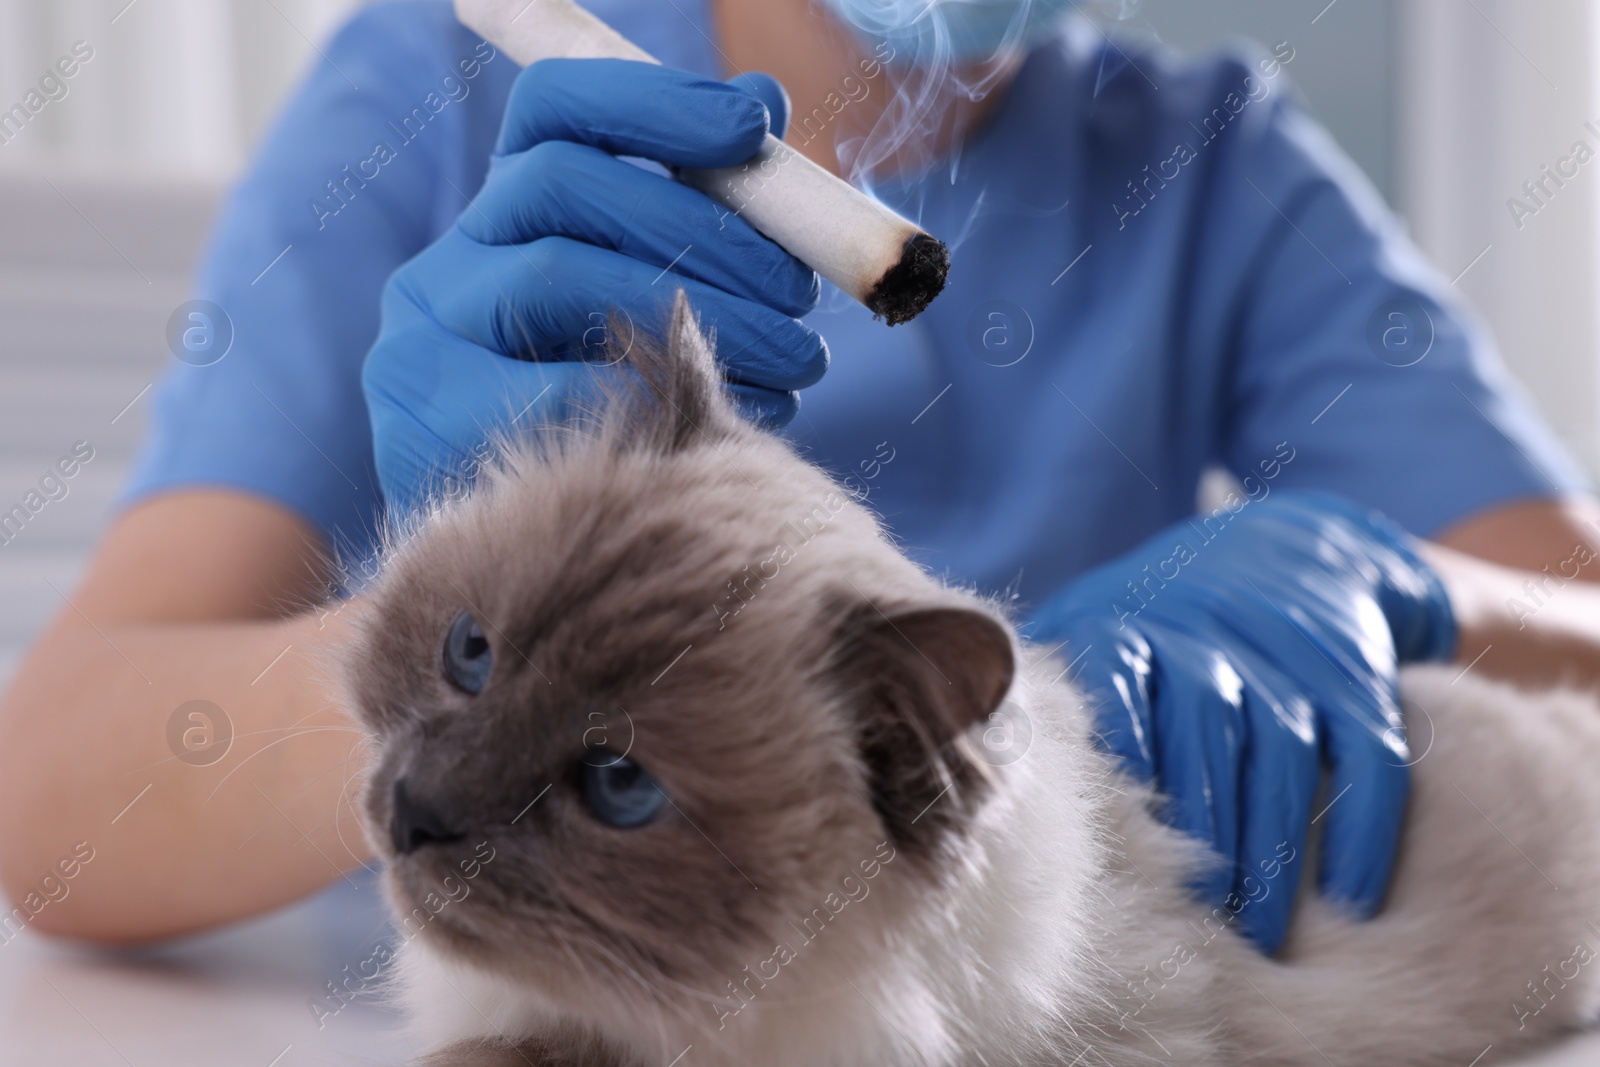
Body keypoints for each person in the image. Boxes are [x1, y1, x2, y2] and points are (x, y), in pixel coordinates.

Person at [4, 0, 1600, 955]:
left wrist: (1387, 583)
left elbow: (1580, 618)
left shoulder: (1212, 168)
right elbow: (48, 812)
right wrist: (459, 672)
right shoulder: (436, 89)